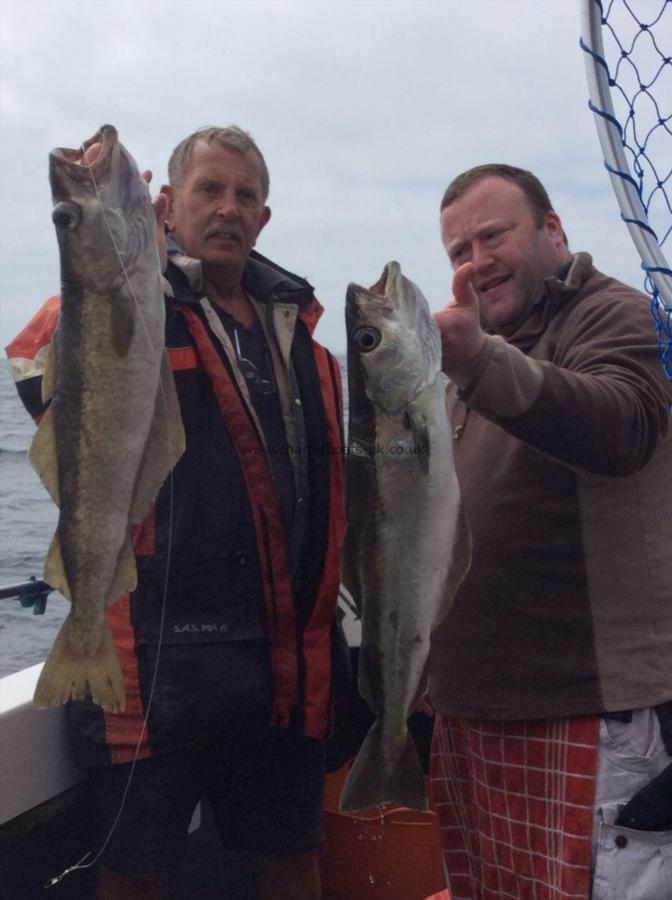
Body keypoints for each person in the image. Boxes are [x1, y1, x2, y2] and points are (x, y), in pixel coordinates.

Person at [6, 126, 345, 899]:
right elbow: (40, 371)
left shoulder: (303, 338)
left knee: (292, 860)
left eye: (245, 195)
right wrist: (117, 249)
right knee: (136, 873)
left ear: (264, 217)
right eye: (209, 190)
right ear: (167, 205)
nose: (228, 208)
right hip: (154, 664)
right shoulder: (134, 299)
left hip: (284, 661)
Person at [427, 164, 672, 899]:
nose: (477, 261)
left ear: (555, 230)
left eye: (493, 235)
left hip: (585, 713)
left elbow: (620, 424)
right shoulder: (464, 360)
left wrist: (478, 362)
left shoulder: (614, 315)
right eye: (459, 251)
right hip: (474, 713)